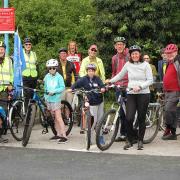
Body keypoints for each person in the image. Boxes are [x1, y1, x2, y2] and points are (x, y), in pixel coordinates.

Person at [106, 45, 153, 150]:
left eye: (136, 53)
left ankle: (140, 140)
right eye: (132, 54)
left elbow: (150, 80)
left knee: (141, 118)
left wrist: (140, 87)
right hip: (131, 93)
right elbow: (120, 75)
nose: (134, 55)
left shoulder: (146, 65)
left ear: (139, 54)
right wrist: (110, 81)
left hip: (143, 94)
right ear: (130, 55)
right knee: (129, 118)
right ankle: (129, 140)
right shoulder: (128, 64)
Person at [71, 64, 105, 138]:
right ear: (87, 71)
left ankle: (100, 136)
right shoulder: (83, 79)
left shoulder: (97, 78)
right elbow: (76, 84)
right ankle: (89, 137)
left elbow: (102, 85)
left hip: (99, 101)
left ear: (94, 71)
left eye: (92, 71)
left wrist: (103, 88)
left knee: (100, 120)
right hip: (91, 102)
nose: (91, 72)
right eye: (89, 71)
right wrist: (72, 89)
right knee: (93, 120)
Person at [44, 59, 68, 143]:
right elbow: (45, 87)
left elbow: (62, 87)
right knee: (54, 118)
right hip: (49, 100)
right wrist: (46, 96)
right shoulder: (47, 76)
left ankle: (64, 135)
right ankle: (58, 134)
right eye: (50, 68)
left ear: (56, 68)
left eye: (53, 68)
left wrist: (54, 91)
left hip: (56, 99)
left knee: (58, 117)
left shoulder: (59, 77)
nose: (51, 70)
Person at [112, 36, 129, 142]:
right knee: (121, 112)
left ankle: (131, 133)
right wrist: (112, 82)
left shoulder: (129, 56)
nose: (119, 46)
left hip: (129, 86)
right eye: (117, 44)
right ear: (115, 46)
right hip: (119, 87)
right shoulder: (114, 58)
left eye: (121, 44)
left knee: (130, 111)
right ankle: (123, 134)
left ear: (124, 45)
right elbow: (114, 72)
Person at [161, 44, 180, 140]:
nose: (169, 55)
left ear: (176, 52)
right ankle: (172, 132)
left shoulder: (178, 61)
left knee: (168, 110)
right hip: (167, 91)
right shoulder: (169, 62)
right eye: (167, 53)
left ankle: (169, 129)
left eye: (171, 53)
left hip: (175, 91)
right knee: (171, 111)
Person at [0, 41, 13, 143]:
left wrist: (10, 84)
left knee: (3, 112)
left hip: (4, 90)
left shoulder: (9, 60)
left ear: (5, 49)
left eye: (2, 48)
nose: (1, 50)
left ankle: (2, 132)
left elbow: (11, 74)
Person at [22, 38, 38, 108]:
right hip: (25, 77)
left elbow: (37, 66)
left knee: (32, 96)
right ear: (24, 45)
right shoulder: (20, 53)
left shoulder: (34, 54)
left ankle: (31, 113)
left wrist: (38, 77)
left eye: (29, 44)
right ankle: (26, 114)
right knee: (27, 96)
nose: (28, 46)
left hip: (33, 78)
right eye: (26, 44)